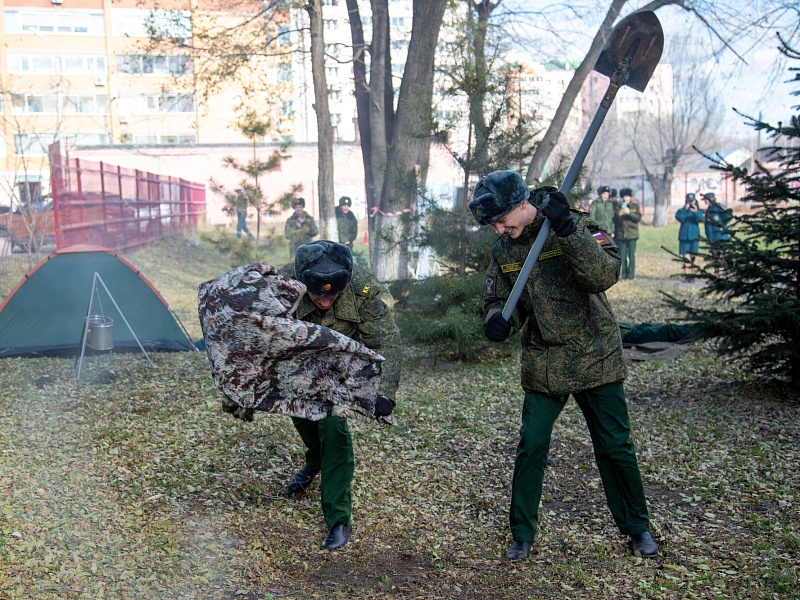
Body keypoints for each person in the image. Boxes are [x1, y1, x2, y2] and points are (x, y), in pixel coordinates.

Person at [468, 169, 658, 562]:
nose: (499, 229)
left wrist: (569, 231)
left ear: (522, 203)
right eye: (493, 224)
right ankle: (522, 534)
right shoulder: (504, 251)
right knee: (531, 446)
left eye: (502, 220)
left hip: (594, 353)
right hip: (546, 360)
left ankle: (637, 528)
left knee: (615, 446)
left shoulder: (572, 223)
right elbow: (498, 300)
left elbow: (605, 274)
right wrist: (496, 321)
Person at [278, 240, 401, 550]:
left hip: (342, 367)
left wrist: (385, 393)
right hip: (299, 364)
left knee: (334, 428)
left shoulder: (362, 290)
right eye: (317, 295)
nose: (323, 302)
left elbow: (387, 341)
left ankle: (338, 518)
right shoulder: (283, 285)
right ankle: (315, 459)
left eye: (331, 295)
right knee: (301, 413)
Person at [613, 187, 642, 280]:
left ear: (630, 197)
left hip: (632, 234)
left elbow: (638, 218)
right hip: (621, 235)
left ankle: (631, 274)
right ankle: (624, 273)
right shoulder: (618, 206)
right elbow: (615, 220)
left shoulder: (635, 206)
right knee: (622, 255)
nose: (625, 198)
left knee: (631, 256)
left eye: (627, 196)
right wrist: (619, 214)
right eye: (624, 197)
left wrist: (629, 213)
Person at [701, 192, 733, 276]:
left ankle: (727, 273)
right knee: (714, 256)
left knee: (722, 255)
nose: (705, 201)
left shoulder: (718, 206)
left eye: (705, 200)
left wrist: (723, 224)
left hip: (720, 236)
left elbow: (729, 215)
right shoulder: (709, 209)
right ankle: (716, 274)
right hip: (712, 236)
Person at [675, 193, 705, 281]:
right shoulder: (681, 211)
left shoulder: (697, 211)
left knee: (693, 256)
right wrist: (685, 209)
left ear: (695, 201)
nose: (691, 203)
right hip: (684, 237)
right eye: (689, 201)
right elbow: (680, 218)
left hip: (694, 237)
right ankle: (686, 275)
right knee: (685, 256)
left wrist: (696, 211)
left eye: (692, 201)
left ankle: (693, 275)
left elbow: (702, 219)